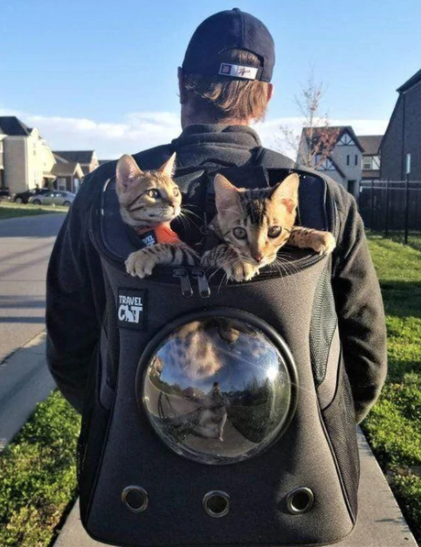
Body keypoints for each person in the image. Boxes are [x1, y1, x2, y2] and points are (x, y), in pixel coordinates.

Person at [46, 8, 386, 425]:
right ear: (268, 95)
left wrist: (109, 419)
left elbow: (68, 336)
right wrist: (321, 429)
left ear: (180, 82)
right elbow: (366, 353)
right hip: (294, 461)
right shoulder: (326, 196)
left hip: (133, 451)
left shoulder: (105, 189)